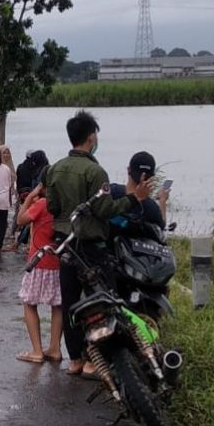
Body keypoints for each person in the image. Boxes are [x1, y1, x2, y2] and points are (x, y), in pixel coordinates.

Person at [41, 110, 151, 377]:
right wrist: (135, 198)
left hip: (65, 247)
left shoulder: (54, 169)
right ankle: (95, 360)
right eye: (96, 136)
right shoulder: (95, 170)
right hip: (92, 247)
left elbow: (52, 206)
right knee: (102, 301)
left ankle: (75, 360)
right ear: (91, 138)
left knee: (70, 302)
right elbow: (105, 210)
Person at [15, 184, 63, 364]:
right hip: (58, 261)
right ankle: (55, 348)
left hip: (38, 260)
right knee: (58, 306)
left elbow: (20, 220)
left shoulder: (43, 204)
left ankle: (37, 351)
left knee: (29, 303)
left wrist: (30, 197)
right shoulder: (64, 205)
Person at [108, 151, 170, 228]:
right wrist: (162, 200)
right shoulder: (151, 207)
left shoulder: (112, 191)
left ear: (128, 170)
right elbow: (161, 228)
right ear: (151, 177)